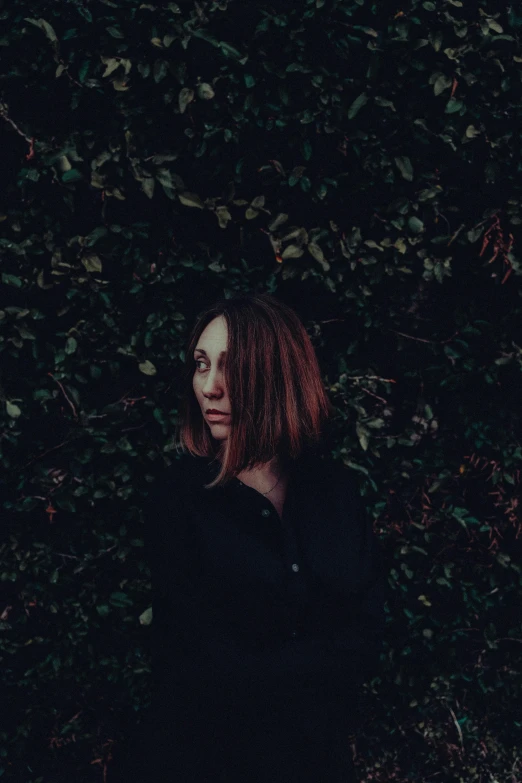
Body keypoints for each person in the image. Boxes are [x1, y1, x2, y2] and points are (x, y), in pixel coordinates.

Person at [110, 292, 389, 782]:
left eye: (229, 366)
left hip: (315, 759)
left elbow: (364, 629)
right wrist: (313, 668)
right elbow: (196, 657)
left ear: (277, 375)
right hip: (205, 760)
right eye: (201, 364)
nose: (209, 388)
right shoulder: (179, 500)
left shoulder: (334, 492)